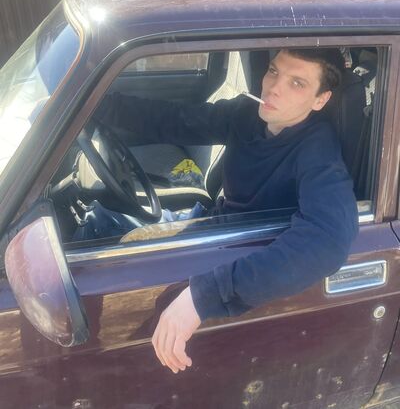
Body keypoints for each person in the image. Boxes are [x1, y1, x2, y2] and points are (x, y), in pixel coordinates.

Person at [97, 47, 359, 374]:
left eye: (297, 83)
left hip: (228, 253)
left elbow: (329, 240)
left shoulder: (318, 151)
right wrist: (95, 106)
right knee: (102, 223)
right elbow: (177, 120)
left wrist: (203, 297)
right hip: (210, 222)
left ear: (320, 100)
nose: (274, 88)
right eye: (273, 71)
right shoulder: (248, 114)